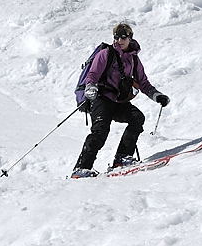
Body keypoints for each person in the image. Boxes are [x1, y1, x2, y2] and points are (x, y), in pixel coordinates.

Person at [71, 23, 170, 178]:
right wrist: (90, 88)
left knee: (137, 118)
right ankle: (81, 169)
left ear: (130, 38)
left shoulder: (134, 60)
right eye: (116, 37)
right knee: (100, 132)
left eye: (123, 36)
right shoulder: (105, 54)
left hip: (118, 102)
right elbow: (92, 75)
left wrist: (157, 96)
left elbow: (143, 83)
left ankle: (122, 158)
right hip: (101, 99)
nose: (119, 40)